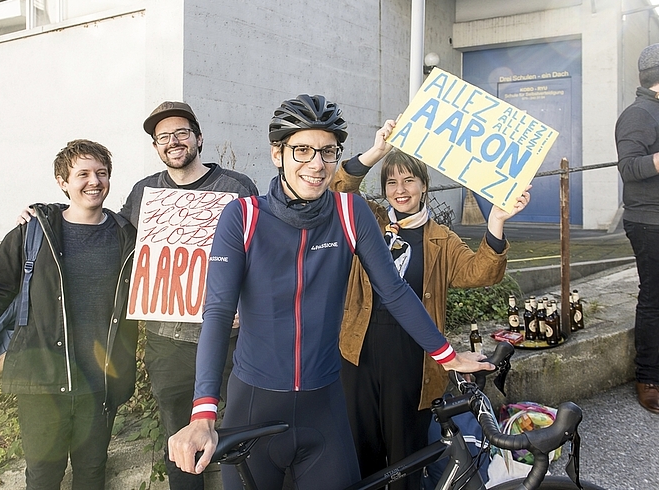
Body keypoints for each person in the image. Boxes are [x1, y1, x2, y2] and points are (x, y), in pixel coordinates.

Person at [167, 94, 494, 490]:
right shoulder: (244, 216)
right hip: (253, 405)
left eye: (327, 152)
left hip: (324, 407)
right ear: (277, 153)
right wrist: (203, 413)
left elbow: (392, 289)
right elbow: (217, 313)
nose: (316, 164)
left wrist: (447, 355)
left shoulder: (349, 213)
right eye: (302, 150)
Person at [18, 101, 259, 489]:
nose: (173, 141)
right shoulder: (145, 191)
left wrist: (249, 309)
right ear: (156, 147)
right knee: (178, 436)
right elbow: (106, 229)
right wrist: (47, 213)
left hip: (229, 337)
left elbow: (260, 254)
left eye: (181, 132)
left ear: (199, 138)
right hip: (167, 341)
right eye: (163, 137)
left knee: (238, 430)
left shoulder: (236, 187)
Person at [332, 122, 530, 489]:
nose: (400, 190)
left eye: (409, 180)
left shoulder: (440, 238)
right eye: (392, 182)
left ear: (424, 185)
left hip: (414, 355)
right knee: (361, 446)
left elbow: (480, 272)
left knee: (406, 452)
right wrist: (375, 152)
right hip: (358, 349)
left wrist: (497, 221)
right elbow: (338, 188)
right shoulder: (368, 219)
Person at [0, 139, 138, 490]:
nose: (94, 181)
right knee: (43, 478)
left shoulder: (127, 236)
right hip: (42, 383)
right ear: (63, 182)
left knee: (92, 475)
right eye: (83, 174)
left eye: (101, 173)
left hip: (99, 384)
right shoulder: (32, 233)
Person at [615, 43, 659, 414]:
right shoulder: (639, 114)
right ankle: (648, 377)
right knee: (654, 299)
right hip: (649, 222)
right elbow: (629, 168)